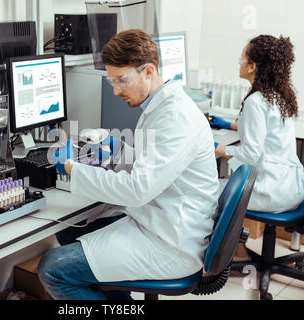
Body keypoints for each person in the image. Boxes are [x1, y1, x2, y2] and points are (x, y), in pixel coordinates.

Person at [37, 29, 220, 300]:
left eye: (121, 80)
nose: (114, 90)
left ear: (148, 71)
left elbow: (138, 190)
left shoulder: (175, 118)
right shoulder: (161, 106)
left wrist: (72, 168)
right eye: (112, 81)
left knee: (52, 268)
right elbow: (160, 166)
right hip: (161, 222)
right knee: (71, 230)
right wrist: (122, 151)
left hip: (172, 243)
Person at [211, 35, 304, 259]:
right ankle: (236, 248)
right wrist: (229, 124)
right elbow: (268, 131)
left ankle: (231, 252)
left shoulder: (255, 101)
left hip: (271, 191)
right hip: (293, 186)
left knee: (210, 189)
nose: (240, 63)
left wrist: (215, 147)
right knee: (228, 185)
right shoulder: (280, 95)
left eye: (241, 59)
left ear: (252, 66)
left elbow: (250, 154)